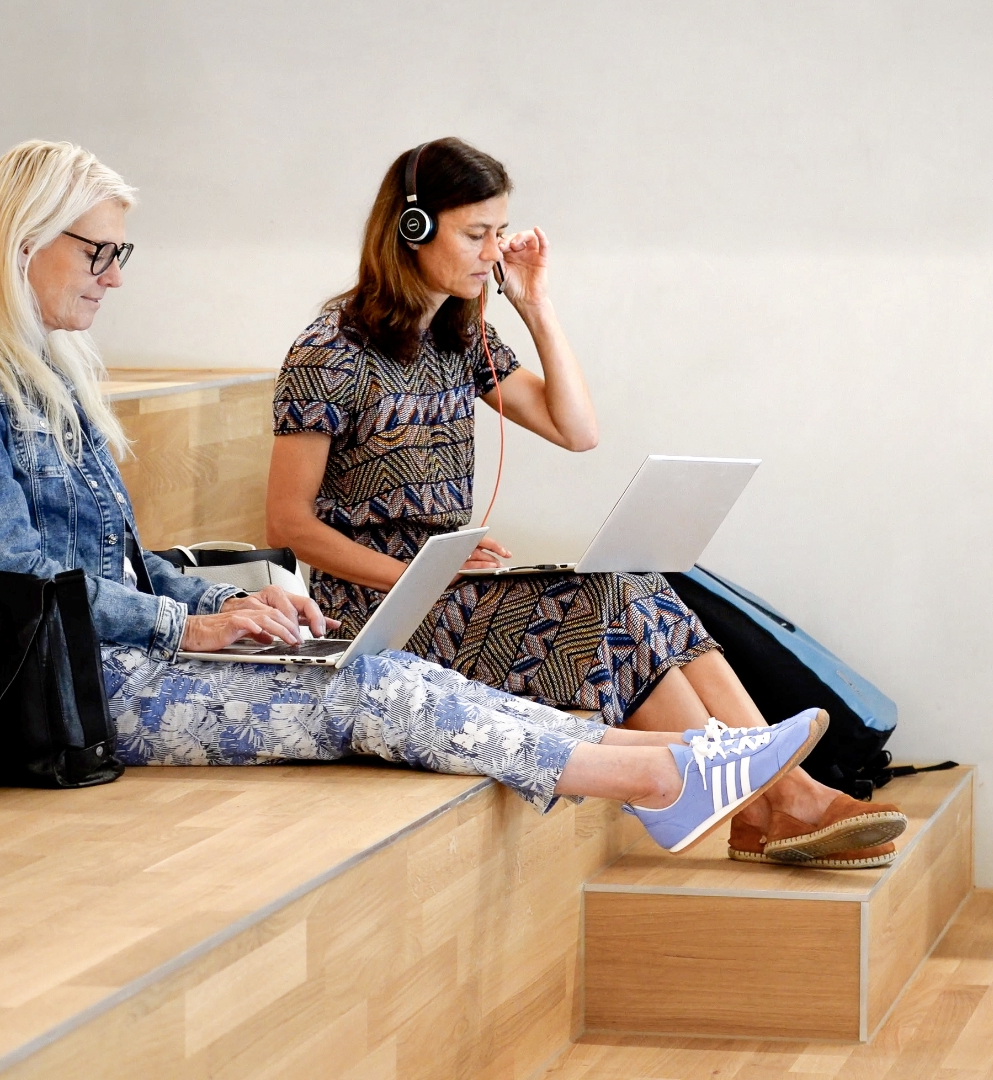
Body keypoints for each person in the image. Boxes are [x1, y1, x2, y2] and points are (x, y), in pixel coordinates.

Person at [0, 139, 825, 856]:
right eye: (99, 253)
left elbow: (114, 569)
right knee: (376, 688)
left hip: (120, 654)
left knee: (410, 677)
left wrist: (225, 602)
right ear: (23, 241)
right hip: (74, 689)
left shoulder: (53, 374)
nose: (117, 275)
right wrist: (190, 627)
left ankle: (693, 774)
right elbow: (19, 587)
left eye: (121, 251)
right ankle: (679, 774)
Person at [266, 139, 906, 868]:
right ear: (412, 229)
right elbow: (288, 524)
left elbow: (577, 429)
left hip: (451, 589)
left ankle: (778, 801)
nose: (492, 252)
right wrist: (418, 578)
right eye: (476, 234)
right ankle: (780, 804)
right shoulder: (330, 352)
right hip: (376, 611)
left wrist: (536, 306)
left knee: (632, 582)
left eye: (498, 233)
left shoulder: (459, 339)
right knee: (599, 604)